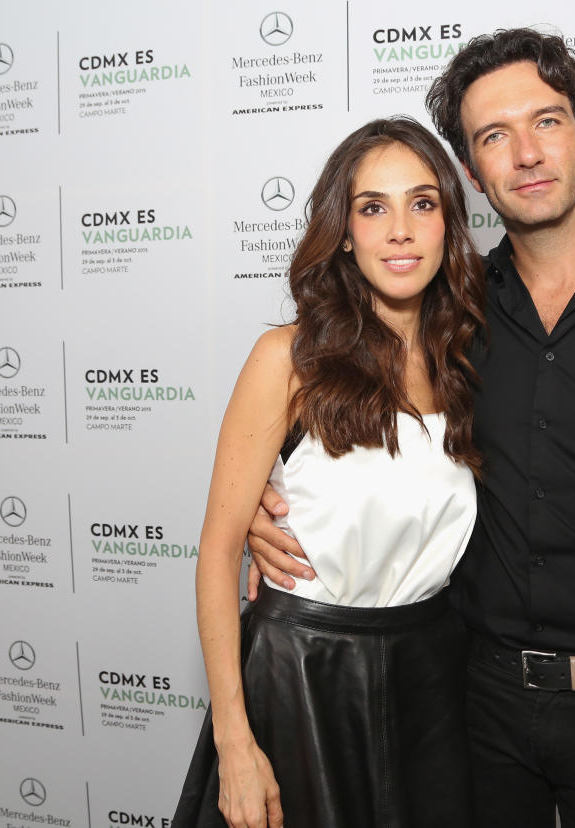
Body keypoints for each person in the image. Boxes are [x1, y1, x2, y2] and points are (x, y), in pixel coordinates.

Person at [246, 28, 575, 828]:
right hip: (472, 701)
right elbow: (350, 426)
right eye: (495, 135)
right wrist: (278, 497)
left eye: (547, 121)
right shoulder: (444, 318)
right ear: (470, 170)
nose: (526, 153)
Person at [171, 116, 487, 828]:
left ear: (449, 223)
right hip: (300, 677)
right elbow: (219, 551)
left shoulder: (466, 359)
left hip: (433, 678)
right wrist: (233, 738)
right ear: (344, 231)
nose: (400, 229)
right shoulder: (288, 358)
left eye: (423, 203)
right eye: (373, 208)